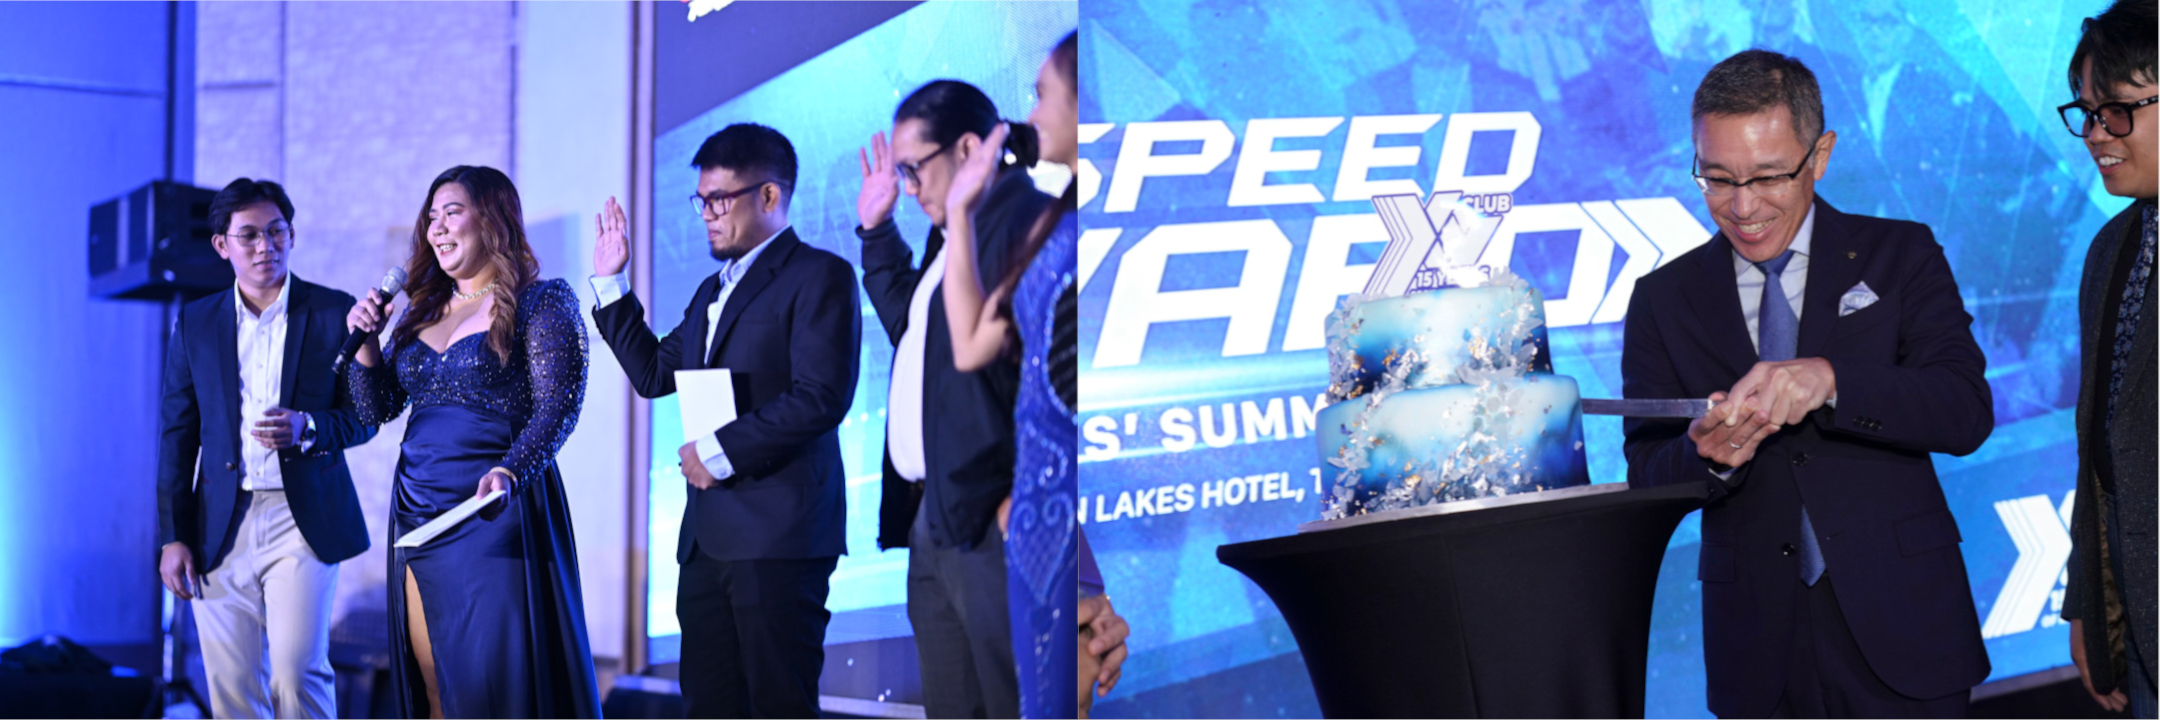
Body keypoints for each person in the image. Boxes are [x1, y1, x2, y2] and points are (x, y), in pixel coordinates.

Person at [1620, 49, 1993, 717]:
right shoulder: (1663, 298)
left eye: (1768, 177)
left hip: (1907, 625)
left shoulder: (1900, 254)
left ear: (1820, 156)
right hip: (1757, 646)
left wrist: (1833, 380)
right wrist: (1707, 456)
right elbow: (1647, 472)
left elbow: (1964, 411)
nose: (1742, 206)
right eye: (1716, 179)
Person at [589, 123, 862, 719]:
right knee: (709, 706)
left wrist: (717, 451)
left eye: (720, 200)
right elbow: (654, 373)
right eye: (702, 201)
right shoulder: (712, 291)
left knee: (779, 706)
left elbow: (821, 396)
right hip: (707, 541)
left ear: (769, 195)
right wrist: (612, 283)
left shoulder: (819, 275)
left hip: (779, 536)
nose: (708, 215)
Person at [344, 165, 599, 718]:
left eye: (452, 212)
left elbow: (559, 405)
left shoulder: (540, 301)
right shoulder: (421, 309)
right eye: (431, 217)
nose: (437, 227)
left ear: (492, 220)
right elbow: (375, 409)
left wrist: (511, 470)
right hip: (418, 508)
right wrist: (367, 344)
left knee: (490, 685)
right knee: (433, 678)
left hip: (491, 507)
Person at [853, 78, 1052, 718]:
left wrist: (1020, 494)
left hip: (991, 515)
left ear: (967, 149)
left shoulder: (1020, 225)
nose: (910, 188)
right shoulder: (954, 234)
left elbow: (1046, 373)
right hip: (936, 515)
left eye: (914, 169)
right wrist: (877, 231)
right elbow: (916, 329)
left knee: (1009, 701)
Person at [156, 177, 376, 719]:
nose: (265, 246)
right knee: (232, 688)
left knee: (296, 673)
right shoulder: (196, 322)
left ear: (292, 235)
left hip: (301, 517)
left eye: (276, 232)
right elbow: (177, 433)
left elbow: (364, 419)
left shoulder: (333, 311)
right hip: (218, 522)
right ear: (222, 244)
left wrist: (308, 427)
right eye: (249, 235)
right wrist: (173, 535)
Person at [940, 31, 1084, 720]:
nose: (1032, 113)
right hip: (1035, 521)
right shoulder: (1051, 227)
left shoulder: (1112, 223)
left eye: (1043, 94)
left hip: (1092, 514)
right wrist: (960, 212)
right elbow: (971, 344)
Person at [2059, 1, 2159, 716]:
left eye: (2118, 110)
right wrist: (2087, 607)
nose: (2096, 133)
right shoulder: (2110, 249)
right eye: (2089, 113)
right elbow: (2100, 451)